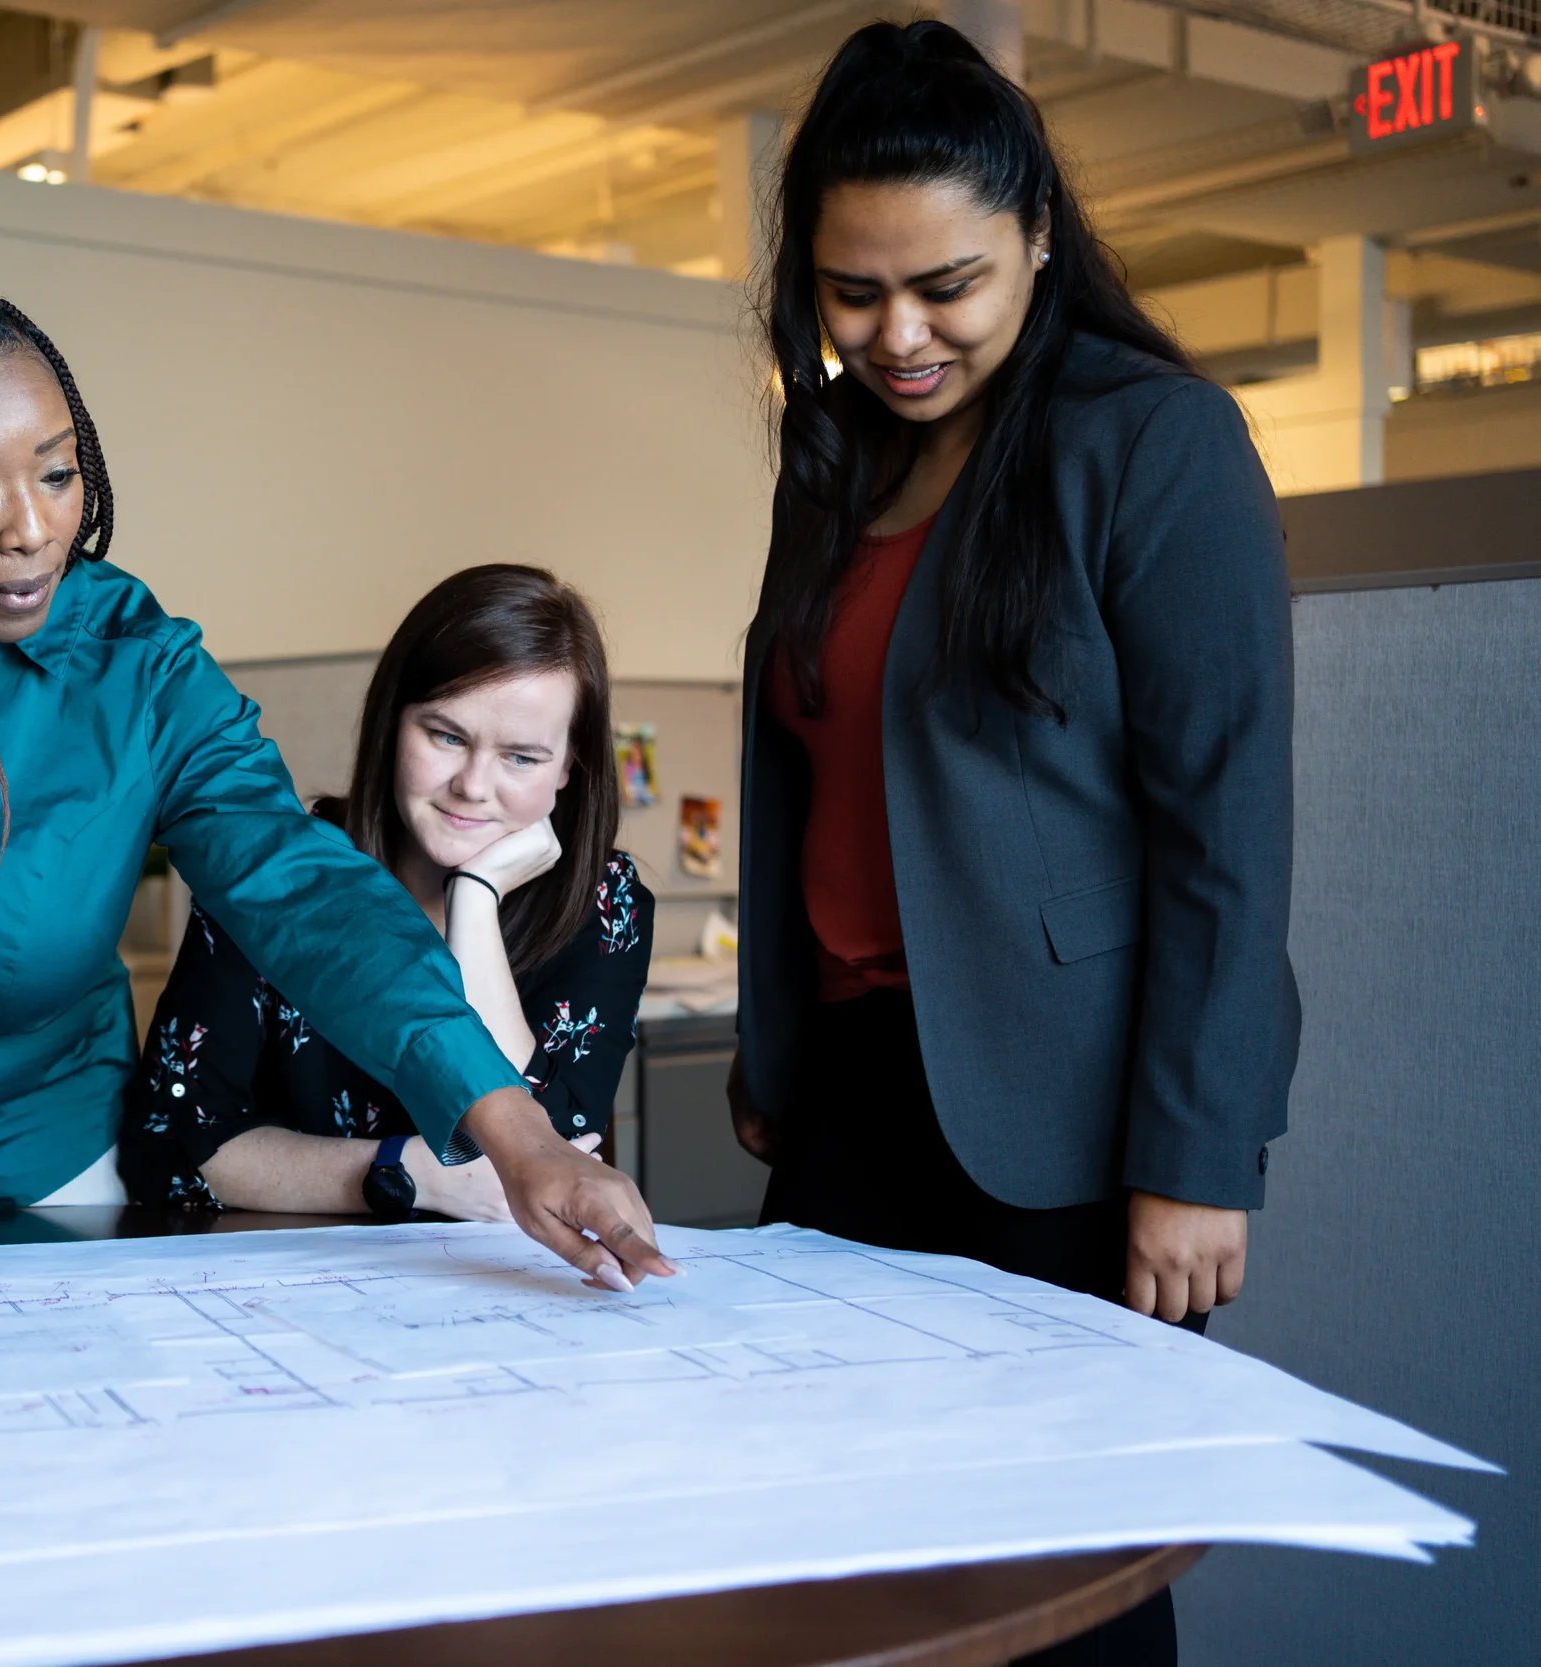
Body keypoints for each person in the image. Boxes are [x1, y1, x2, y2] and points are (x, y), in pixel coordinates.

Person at [0, 285, 670, 1291]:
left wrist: (515, 1132)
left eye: (56, 470)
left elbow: (303, 889)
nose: (33, 529)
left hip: (13, 1164)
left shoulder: (138, 669)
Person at [729, 22, 1298, 1664]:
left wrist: (1196, 1159)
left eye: (947, 286)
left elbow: (1225, 826)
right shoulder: (833, 459)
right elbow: (799, 763)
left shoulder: (1149, 440)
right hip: (851, 1098)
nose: (898, 334)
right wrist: (779, 1033)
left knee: (1052, 1589)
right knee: (839, 1553)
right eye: (852, 292)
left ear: (1040, 237)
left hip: (1062, 1116)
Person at [121, 565, 651, 1220]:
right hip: (292, 1279)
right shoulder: (284, 871)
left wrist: (475, 901)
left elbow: (554, 1158)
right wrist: (403, 1172)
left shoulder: (608, 901)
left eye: (521, 756)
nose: (474, 785)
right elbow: (167, 1144)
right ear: (392, 722)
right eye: (447, 736)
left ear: (569, 764)